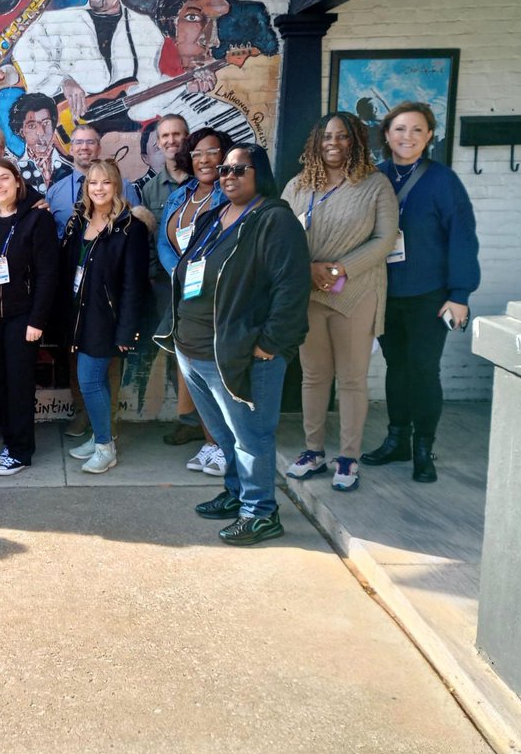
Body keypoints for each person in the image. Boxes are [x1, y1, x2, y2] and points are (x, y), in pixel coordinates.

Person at [164, 144, 310, 546]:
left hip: (240, 352)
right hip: (193, 348)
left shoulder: (274, 220)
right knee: (224, 434)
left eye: (238, 169)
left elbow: (292, 288)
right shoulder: (215, 216)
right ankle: (236, 492)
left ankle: (260, 512)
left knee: (251, 437)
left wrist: (270, 344)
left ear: (258, 173)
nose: (227, 175)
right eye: (224, 169)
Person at [360, 101, 480, 483]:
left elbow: (462, 237)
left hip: (431, 294)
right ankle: (397, 439)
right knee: (397, 369)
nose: (407, 137)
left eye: (416, 130)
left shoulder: (442, 180)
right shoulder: (375, 177)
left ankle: (423, 449)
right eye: (399, 129)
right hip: (386, 293)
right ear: (386, 135)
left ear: (429, 136)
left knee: (424, 371)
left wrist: (459, 294)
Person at [282, 113, 398, 492]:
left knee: (350, 379)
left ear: (356, 142)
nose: (334, 142)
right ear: (316, 142)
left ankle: (348, 456)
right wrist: (310, 268)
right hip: (309, 291)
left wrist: (341, 269)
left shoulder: (376, 185)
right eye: (327, 136)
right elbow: (281, 237)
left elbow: (384, 239)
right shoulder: (298, 186)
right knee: (314, 377)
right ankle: (313, 451)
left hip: (357, 292)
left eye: (343, 136)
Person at [0, 158, 59, 475]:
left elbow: (49, 275)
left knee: (19, 384)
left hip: (23, 317)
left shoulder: (38, 219)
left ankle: (22, 451)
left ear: (18, 181)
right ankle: (10, 441)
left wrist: (37, 321)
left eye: (4, 178)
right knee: (0, 383)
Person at [60, 160, 149, 474]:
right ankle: (102, 436)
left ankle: (104, 448)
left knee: (90, 382)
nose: (98, 189)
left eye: (106, 183)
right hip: (78, 315)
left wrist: (126, 331)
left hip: (105, 319)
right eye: (93, 183)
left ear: (116, 186)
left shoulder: (130, 228)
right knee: (96, 382)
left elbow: (134, 284)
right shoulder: (78, 222)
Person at [156, 127, 233, 467]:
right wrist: (179, 271)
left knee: (215, 374)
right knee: (194, 375)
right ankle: (211, 441)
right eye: (198, 153)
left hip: (216, 296)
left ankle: (226, 446)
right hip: (184, 295)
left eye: (212, 152)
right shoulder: (181, 195)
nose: (204, 160)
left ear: (225, 156)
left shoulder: (229, 195)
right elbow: (162, 241)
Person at [13, 0, 168, 128]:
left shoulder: (145, 29)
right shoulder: (56, 21)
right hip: (69, 125)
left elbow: (150, 84)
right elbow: (25, 53)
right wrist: (62, 81)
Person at [46, 125, 141, 233]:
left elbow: (137, 231)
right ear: (71, 149)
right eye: (78, 142)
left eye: (90, 142)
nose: (84, 147)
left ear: (99, 149)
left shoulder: (123, 187)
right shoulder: (54, 193)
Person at [6, 92, 71, 195]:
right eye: (32, 126)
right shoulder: (14, 172)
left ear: (53, 126)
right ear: (22, 131)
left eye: (46, 123)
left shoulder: (70, 168)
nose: (41, 132)